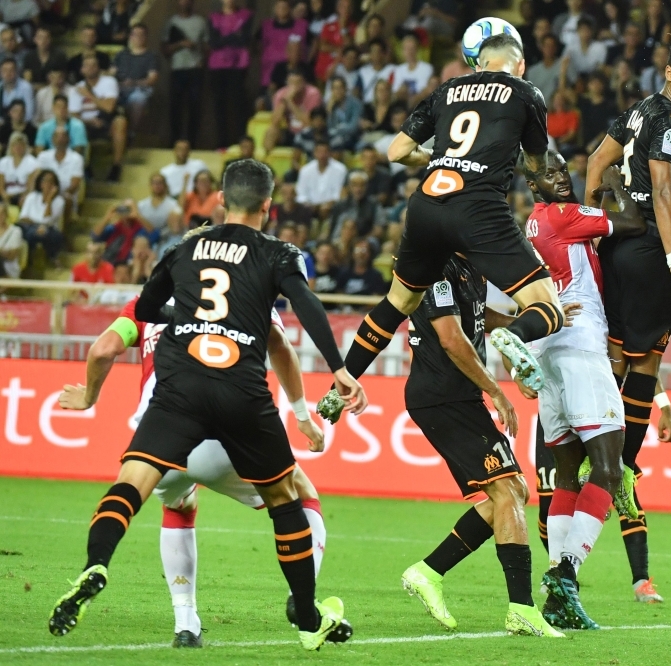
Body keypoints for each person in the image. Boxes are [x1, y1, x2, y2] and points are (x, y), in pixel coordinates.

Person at [47, 159, 367, 651]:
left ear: (218, 200)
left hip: (181, 391)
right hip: (241, 392)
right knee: (288, 499)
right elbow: (305, 307)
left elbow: (145, 310)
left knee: (131, 483)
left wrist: (185, 315)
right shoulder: (278, 254)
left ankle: (99, 564)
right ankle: (306, 615)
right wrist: (339, 369)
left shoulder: (184, 248)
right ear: (268, 206)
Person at [58, 291, 331, 646]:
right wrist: (302, 417)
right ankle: (304, 601)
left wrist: (89, 397)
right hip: (227, 425)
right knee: (299, 495)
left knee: (174, 504)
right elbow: (280, 347)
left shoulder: (145, 303)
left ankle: (184, 623)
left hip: (162, 427)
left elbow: (103, 349)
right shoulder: (245, 289)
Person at [343, 33, 564, 435]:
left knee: (399, 302)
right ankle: (514, 339)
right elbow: (537, 163)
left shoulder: (448, 89)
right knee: (548, 308)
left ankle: (341, 378)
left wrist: (442, 158)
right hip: (477, 208)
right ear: (519, 65)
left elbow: (395, 152)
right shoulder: (525, 92)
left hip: (426, 204)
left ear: (479, 63)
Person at [584, 32, 671, 533]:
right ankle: (624, 465)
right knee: (646, 360)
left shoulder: (640, 110)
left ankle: (592, 450)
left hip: (621, 242)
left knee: (615, 353)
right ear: (670, 72)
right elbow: (662, 189)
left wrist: (595, 225)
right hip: (652, 253)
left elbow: (598, 163)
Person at [397, 249, 562, 638]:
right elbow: (452, 338)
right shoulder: (436, 266)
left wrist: (531, 323)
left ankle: (427, 573)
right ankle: (522, 609)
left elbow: (477, 316)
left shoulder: (470, 267)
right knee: (508, 492)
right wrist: (496, 392)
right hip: (441, 396)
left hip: (457, 397)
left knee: (513, 492)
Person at [521, 153, 653, 627]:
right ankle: (566, 574)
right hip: (580, 350)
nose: (561, 179)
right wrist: (616, 182)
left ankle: (556, 592)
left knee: (566, 473)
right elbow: (634, 222)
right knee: (610, 468)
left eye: (563, 172)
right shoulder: (565, 215)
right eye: (550, 175)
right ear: (534, 187)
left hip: (547, 354)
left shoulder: (532, 225)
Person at [69, 54, 127, 181]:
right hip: (86, 124)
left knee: (120, 121)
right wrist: (89, 122)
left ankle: (116, 167)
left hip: (105, 121)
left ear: (99, 68)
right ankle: (85, 168)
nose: (90, 68)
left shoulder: (109, 82)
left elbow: (109, 107)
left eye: (93, 65)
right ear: (82, 70)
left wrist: (88, 94)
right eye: (87, 66)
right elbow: (74, 115)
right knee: (76, 126)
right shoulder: (76, 88)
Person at [208, 0, 253, 149]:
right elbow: (214, 43)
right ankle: (222, 143)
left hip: (238, 65)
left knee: (238, 104)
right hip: (217, 65)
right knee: (219, 105)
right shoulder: (213, 17)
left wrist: (224, 38)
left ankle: (242, 142)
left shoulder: (246, 16)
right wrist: (233, 36)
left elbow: (244, 39)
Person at [162, 0, 207, 144]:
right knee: (175, 108)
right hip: (177, 69)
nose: (184, 2)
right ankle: (175, 142)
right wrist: (181, 44)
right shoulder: (171, 22)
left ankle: (192, 142)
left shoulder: (201, 22)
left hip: (196, 69)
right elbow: (165, 50)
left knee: (195, 107)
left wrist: (202, 57)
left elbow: (207, 46)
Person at [111, 24, 159, 128]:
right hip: (119, 87)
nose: (139, 37)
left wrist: (134, 83)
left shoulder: (151, 56)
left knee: (138, 98)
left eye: (142, 35)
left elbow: (152, 79)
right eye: (135, 35)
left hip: (139, 89)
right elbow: (111, 73)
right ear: (130, 37)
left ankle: (132, 130)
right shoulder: (121, 54)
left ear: (146, 37)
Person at [259, 0, 308, 91]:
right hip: (270, 71)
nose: (282, 10)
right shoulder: (266, 25)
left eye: (285, 7)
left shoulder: (301, 25)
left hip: (293, 70)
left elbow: (314, 41)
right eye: (279, 7)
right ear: (275, 9)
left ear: (289, 9)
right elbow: (257, 43)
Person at [18, 168, 63, 263]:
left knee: (48, 234)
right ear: (40, 183)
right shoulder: (31, 196)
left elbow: (48, 221)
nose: (48, 183)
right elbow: (23, 217)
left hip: (49, 229)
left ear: (55, 185)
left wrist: (49, 200)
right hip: (30, 226)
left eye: (51, 181)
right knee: (22, 230)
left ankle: (50, 258)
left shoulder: (59, 201)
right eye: (45, 180)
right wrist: (38, 224)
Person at [295, 141, 346, 219]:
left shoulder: (340, 169)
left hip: (331, 208)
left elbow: (340, 194)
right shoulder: (305, 170)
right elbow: (301, 194)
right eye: (319, 152)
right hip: (309, 208)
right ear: (314, 153)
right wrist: (308, 205)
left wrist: (329, 204)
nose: (322, 155)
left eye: (325, 152)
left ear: (330, 153)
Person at [36, 127, 84, 209]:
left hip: (64, 195)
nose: (60, 139)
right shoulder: (43, 156)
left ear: (68, 139)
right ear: (52, 139)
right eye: (57, 136)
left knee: (66, 199)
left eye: (63, 136)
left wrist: (55, 195)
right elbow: (37, 178)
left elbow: (75, 184)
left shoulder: (77, 158)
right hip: (43, 193)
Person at [392, 32, 436, 109]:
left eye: (412, 48)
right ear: (403, 51)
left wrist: (413, 99)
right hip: (402, 107)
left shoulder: (427, 68)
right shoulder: (398, 70)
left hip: (422, 105)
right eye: (407, 49)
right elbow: (396, 92)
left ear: (417, 50)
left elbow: (426, 91)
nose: (410, 52)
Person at [0, 130, 37, 205]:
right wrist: (5, 196)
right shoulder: (4, 162)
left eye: (21, 145)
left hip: (23, 196)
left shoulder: (32, 162)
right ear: (11, 147)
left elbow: (31, 187)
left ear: (25, 146)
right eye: (15, 145)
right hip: (6, 196)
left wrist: (22, 196)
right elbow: (1, 186)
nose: (18, 147)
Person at [325, 75, 362, 151]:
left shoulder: (355, 104)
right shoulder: (330, 105)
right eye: (335, 88)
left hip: (353, 138)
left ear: (345, 89)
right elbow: (329, 128)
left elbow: (353, 127)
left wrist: (337, 130)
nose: (338, 91)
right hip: (335, 137)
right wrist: (329, 111)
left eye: (340, 88)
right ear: (332, 90)